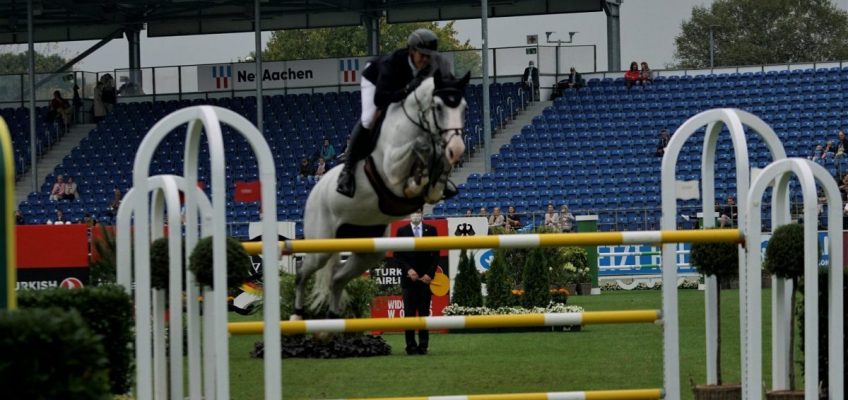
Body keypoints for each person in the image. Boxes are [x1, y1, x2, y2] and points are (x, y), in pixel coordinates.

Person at [336, 28, 449, 197]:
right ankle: (347, 172)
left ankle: (438, 177)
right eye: (422, 55)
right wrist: (406, 91)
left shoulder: (434, 63)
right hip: (376, 81)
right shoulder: (392, 63)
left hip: (402, 89)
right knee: (368, 119)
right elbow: (380, 99)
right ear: (411, 51)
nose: (425, 59)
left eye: (429, 56)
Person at [394, 209, 439, 355]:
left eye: (418, 212)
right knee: (409, 315)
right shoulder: (402, 231)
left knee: (424, 314)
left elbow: (436, 255)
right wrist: (408, 270)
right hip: (409, 281)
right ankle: (411, 346)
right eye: (412, 212)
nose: (415, 214)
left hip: (425, 281)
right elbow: (398, 256)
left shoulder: (431, 230)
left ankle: (423, 346)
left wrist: (429, 274)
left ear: (422, 214)